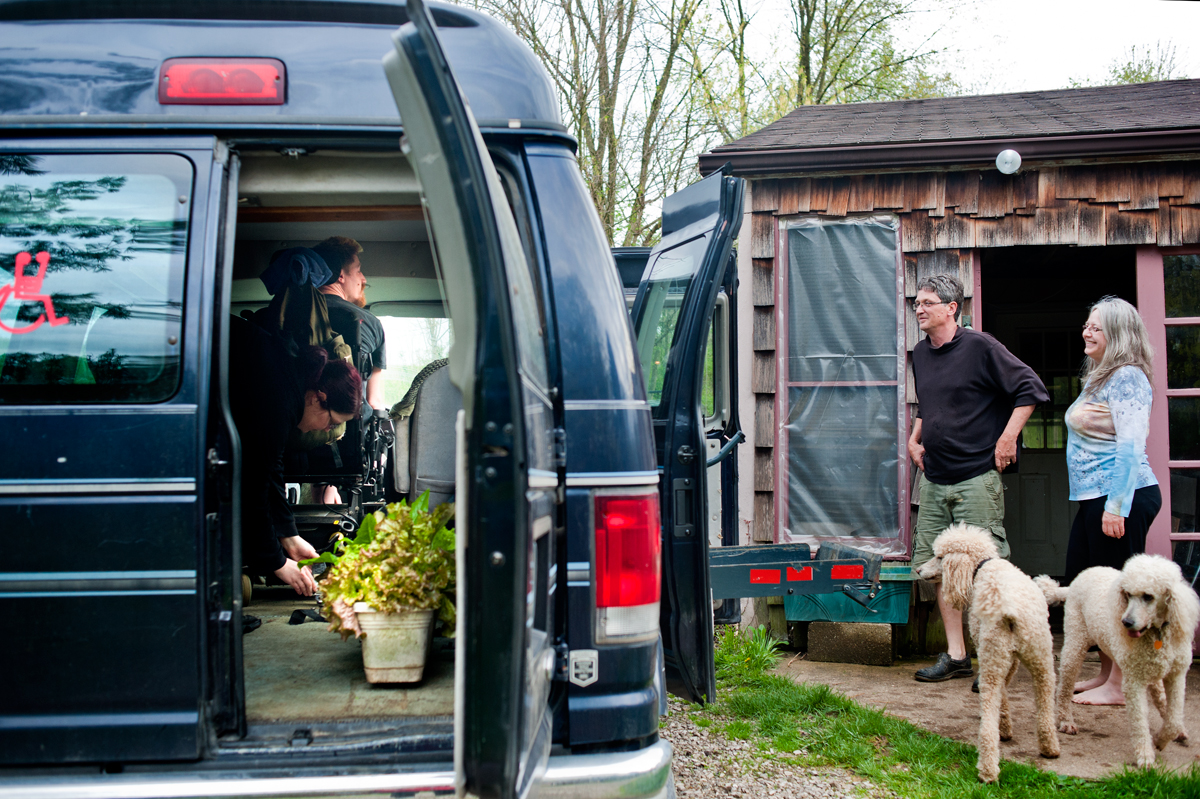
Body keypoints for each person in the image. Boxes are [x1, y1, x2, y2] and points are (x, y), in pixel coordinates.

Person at [908, 273, 1049, 684]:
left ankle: (995, 659)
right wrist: (914, 440)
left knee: (987, 569)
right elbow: (927, 404)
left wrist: (1007, 440)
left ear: (952, 308)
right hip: (935, 478)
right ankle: (956, 655)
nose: (919, 308)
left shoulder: (981, 346)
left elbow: (1031, 389)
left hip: (976, 477)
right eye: (917, 302)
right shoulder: (920, 352)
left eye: (928, 302)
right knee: (936, 568)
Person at [1063, 296, 1161, 706]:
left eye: (1096, 327)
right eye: (1086, 324)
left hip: (1122, 495)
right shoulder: (1099, 378)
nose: (1087, 331)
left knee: (1119, 593)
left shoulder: (1128, 378)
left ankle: (1121, 685)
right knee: (1091, 586)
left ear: (1118, 334)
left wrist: (1116, 507)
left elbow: (1130, 447)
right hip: (1096, 496)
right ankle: (1106, 674)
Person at [229, 316, 363, 595]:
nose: (327, 430)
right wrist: (276, 562)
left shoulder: (288, 384)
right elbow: (253, 486)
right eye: (330, 422)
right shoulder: (277, 399)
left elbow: (270, 466)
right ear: (318, 398)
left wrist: (289, 536)